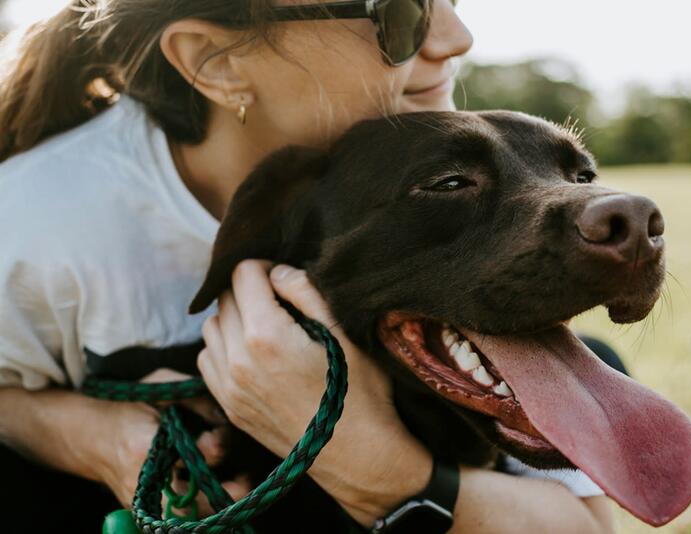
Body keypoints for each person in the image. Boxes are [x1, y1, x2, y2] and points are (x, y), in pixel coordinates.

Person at [0, 0, 617, 532]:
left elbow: (585, 525)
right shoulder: (33, 221)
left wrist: (368, 459)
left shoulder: (433, 140)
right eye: (395, 13)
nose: (455, 36)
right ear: (216, 62)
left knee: (595, 360)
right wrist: (103, 439)